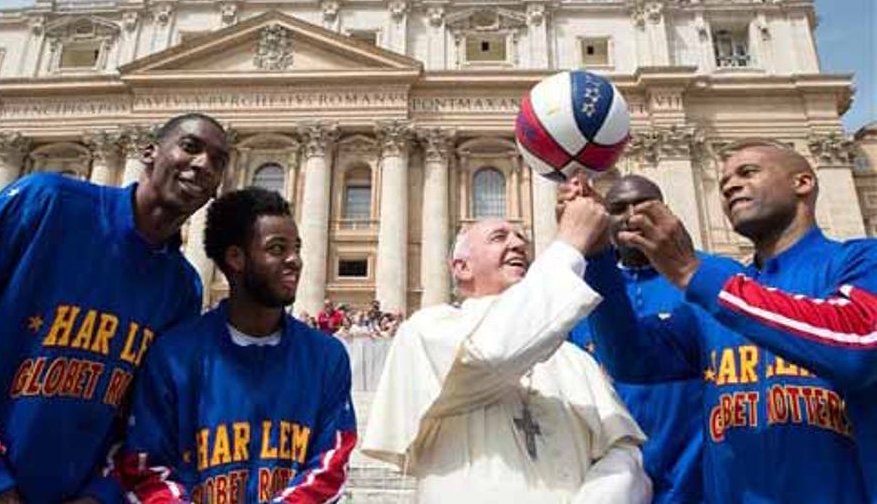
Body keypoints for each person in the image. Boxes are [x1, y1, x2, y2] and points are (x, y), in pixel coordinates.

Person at [0, 113, 229, 503]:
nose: (202, 165)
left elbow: (150, 416)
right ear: (148, 153)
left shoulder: (182, 287)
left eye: (218, 161)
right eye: (191, 147)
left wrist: (101, 493)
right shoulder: (45, 202)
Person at [586, 138, 877, 503]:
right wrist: (596, 257)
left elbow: (860, 346)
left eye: (748, 172)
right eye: (723, 183)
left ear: (802, 182)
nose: (730, 185)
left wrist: (695, 274)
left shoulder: (860, 261)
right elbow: (629, 358)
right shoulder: (718, 298)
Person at [362, 175, 650, 504]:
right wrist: (570, 244)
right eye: (499, 237)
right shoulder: (427, 329)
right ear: (461, 267)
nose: (517, 245)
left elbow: (624, 456)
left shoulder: (573, 359)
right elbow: (493, 352)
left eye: (521, 238)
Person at [116, 187, 356, 503]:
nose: (295, 260)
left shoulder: (327, 356)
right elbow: (146, 468)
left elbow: (330, 466)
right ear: (235, 258)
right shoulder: (173, 355)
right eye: (277, 248)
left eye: (296, 248)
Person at [568, 175, 704, 504]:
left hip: (696, 480)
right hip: (609, 482)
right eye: (617, 208)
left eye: (643, 205)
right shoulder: (580, 295)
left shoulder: (706, 280)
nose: (632, 215)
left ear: (668, 211)